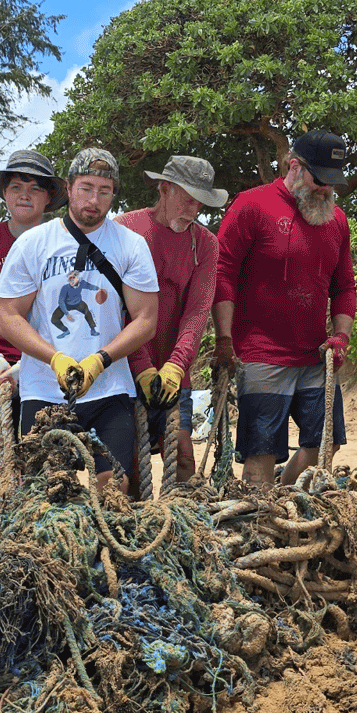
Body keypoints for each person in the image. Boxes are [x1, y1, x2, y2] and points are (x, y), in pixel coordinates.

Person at [0, 148, 158, 488]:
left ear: (114, 194)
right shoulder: (33, 243)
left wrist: (101, 360)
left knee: (116, 484)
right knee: (45, 490)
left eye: (104, 190)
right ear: (68, 188)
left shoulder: (131, 245)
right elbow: (8, 317)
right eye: (85, 188)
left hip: (110, 388)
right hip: (45, 389)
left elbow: (145, 320)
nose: (93, 200)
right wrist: (55, 358)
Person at [213, 129, 357, 485]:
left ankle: (282, 496)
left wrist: (342, 336)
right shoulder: (252, 204)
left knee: (325, 445)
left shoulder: (336, 220)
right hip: (261, 354)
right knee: (261, 453)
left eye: (332, 182)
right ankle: (258, 526)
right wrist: (224, 339)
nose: (326, 189)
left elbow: (344, 285)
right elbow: (223, 271)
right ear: (294, 167)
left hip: (315, 354)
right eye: (319, 179)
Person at [122, 156, 227, 486]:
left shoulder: (206, 244)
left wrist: (176, 366)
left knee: (183, 454)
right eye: (187, 198)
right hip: (124, 368)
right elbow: (121, 310)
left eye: (200, 201)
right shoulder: (125, 230)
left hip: (172, 369)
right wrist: (140, 367)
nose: (194, 208)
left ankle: (181, 523)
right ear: (164, 189)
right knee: (133, 461)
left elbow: (197, 312)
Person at [0, 150, 65, 401]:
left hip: (52, 364)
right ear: (5, 193)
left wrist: (31, 364)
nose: (24, 195)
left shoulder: (63, 242)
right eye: (16, 187)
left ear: (48, 197)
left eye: (35, 189)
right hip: (1, 366)